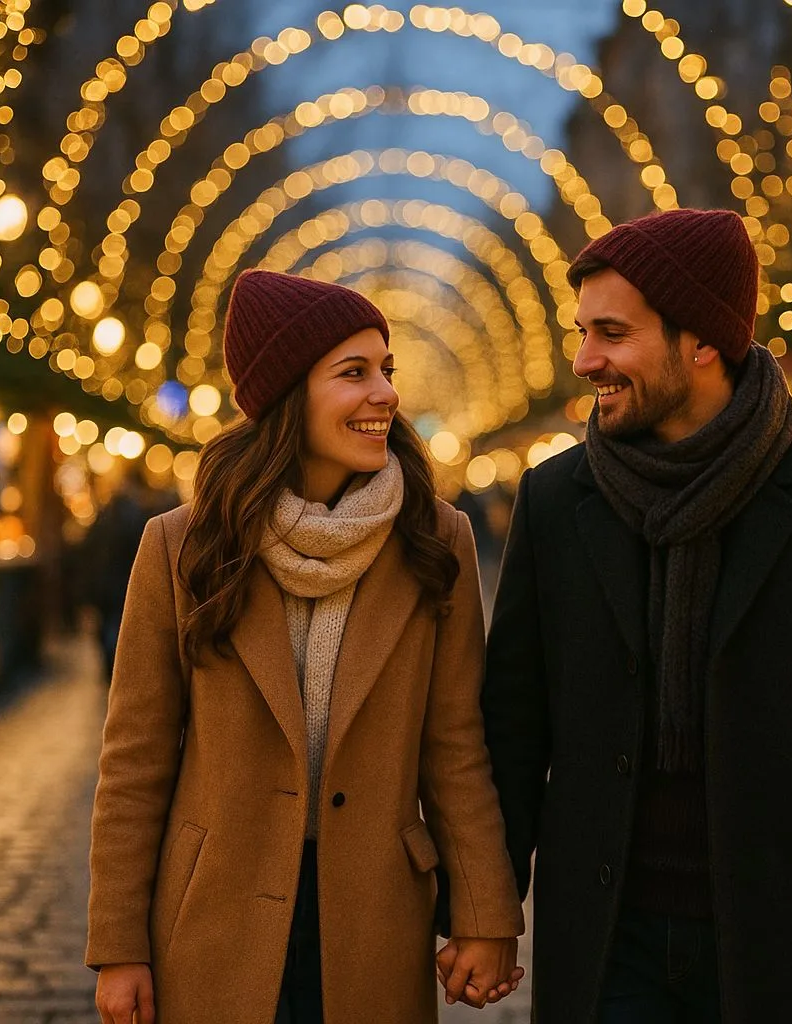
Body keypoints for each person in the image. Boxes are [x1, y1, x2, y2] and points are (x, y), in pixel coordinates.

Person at [481, 208, 792, 1023]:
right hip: (603, 940)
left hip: (778, 940)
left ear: (699, 342)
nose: (586, 361)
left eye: (612, 334)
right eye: (583, 333)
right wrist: (488, 909)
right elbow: (514, 725)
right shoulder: (558, 502)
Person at [86, 270, 524, 1024]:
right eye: (353, 373)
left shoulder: (433, 539)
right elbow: (136, 758)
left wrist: (485, 913)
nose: (383, 392)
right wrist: (119, 945)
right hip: (212, 916)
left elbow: (456, 746)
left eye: (386, 370)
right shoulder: (182, 546)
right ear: (286, 394)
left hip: (376, 913)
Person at [82, 461, 177, 680]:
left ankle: (114, 673)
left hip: (110, 584)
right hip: (125, 582)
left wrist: (89, 591)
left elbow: (91, 552)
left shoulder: (109, 514)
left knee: (112, 630)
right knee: (121, 630)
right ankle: (121, 673)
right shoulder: (146, 514)